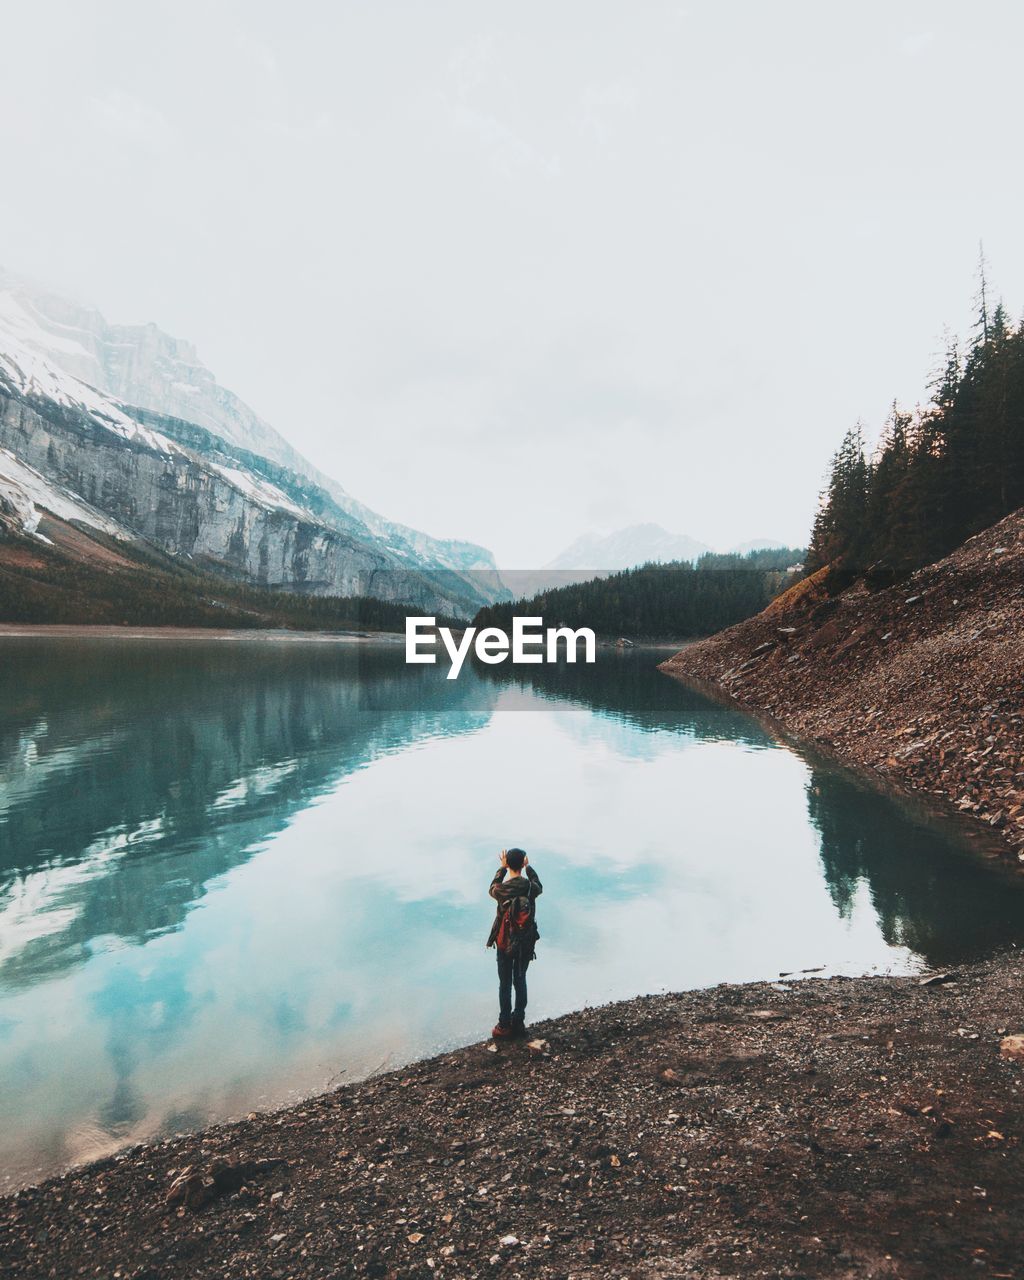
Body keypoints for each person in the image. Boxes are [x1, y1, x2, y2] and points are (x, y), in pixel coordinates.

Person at [486, 847, 542, 1039]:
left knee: (505, 984)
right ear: (523, 862)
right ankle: (518, 1023)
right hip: (525, 943)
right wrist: (529, 868)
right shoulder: (529, 888)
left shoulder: (502, 890)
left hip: (504, 943)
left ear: (508, 863)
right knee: (520, 981)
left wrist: (501, 870)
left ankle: (503, 1025)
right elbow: (539, 885)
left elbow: (491, 888)